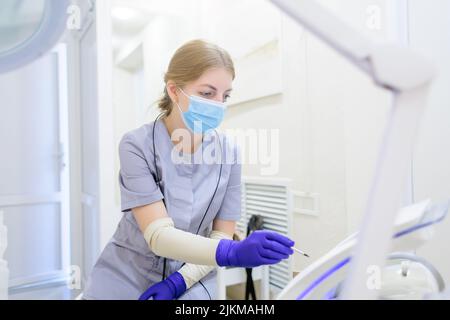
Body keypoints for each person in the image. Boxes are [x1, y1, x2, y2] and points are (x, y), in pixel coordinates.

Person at [83, 39, 295, 300]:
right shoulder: (136, 145)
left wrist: (178, 283)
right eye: (207, 93)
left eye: (225, 95)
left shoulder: (229, 153)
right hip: (125, 277)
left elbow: (221, 234)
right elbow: (159, 236)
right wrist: (232, 252)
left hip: (192, 279)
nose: (219, 104)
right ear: (174, 90)